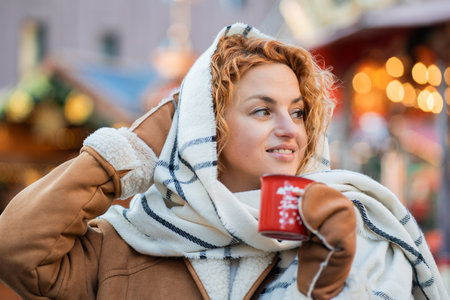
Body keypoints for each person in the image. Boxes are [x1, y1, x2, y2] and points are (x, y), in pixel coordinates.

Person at [0, 23, 448, 300]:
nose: (290, 128)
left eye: (297, 111)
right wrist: (139, 144)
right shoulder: (125, 245)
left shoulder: (349, 223)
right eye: (262, 110)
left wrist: (336, 280)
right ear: (207, 128)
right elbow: (17, 248)